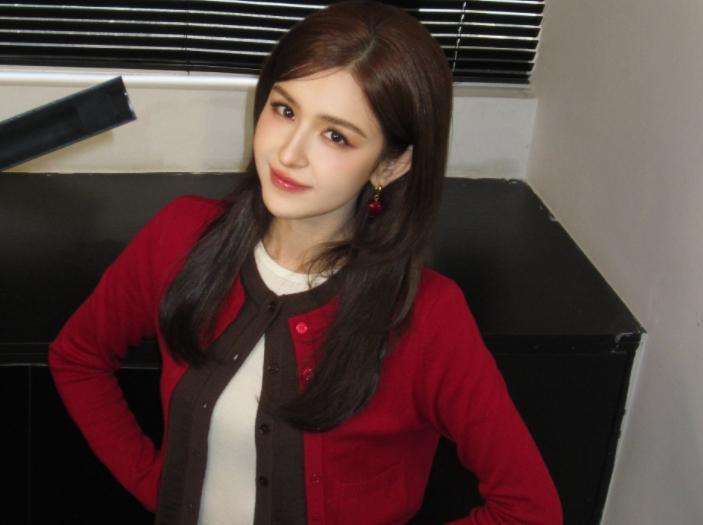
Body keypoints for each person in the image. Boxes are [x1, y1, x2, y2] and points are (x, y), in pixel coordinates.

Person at [48, 1, 563, 523]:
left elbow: (530, 510)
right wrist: (158, 486)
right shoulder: (181, 236)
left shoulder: (428, 317)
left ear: (390, 164)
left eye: (336, 136)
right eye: (285, 110)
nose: (289, 153)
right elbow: (79, 356)